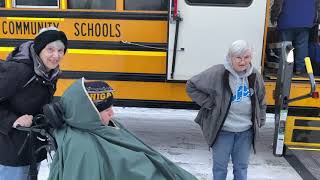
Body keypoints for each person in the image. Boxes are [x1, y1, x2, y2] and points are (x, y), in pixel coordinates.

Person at [48, 78, 197, 180]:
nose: (112, 113)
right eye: (106, 110)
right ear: (88, 113)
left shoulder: (107, 126)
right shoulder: (81, 147)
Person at [186, 40, 266, 180]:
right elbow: (191, 85)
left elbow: (261, 100)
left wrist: (261, 119)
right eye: (238, 58)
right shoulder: (218, 72)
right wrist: (210, 103)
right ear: (230, 58)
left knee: (241, 168)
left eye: (246, 57)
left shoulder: (254, 75)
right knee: (220, 169)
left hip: (245, 132)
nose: (242, 62)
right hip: (223, 132)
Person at [0, 27, 68, 180]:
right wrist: (13, 120)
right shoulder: (19, 70)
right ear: (39, 49)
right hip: (10, 150)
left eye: (60, 50)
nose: (56, 55)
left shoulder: (50, 73)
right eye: (50, 49)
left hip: (32, 147)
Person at [270, 0, 320, 75]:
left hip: (287, 19)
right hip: (305, 21)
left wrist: (273, 17)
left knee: (285, 47)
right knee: (302, 47)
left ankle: (284, 70)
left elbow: (278, 4)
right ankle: (300, 70)